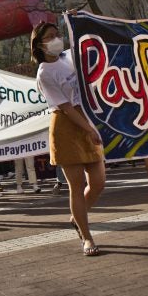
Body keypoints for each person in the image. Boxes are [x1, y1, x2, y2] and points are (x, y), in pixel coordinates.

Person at [31, 21, 105, 256]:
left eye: (58, 34)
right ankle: (87, 237)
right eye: (51, 36)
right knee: (77, 185)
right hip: (66, 125)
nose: (56, 39)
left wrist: (77, 20)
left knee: (99, 182)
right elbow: (66, 108)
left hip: (86, 119)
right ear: (39, 44)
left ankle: (77, 216)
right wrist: (89, 129)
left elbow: (87, 41)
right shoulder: (44, 73)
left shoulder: (68, 57)